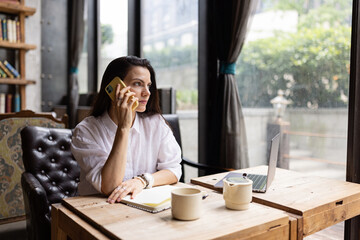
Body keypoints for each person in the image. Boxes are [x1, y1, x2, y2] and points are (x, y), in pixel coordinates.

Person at [71, 56, 182, 204]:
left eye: (148, 85)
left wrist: (142, 181)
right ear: (114, 88)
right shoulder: (85, 131)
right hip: (97, 209)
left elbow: (174, 169)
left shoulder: (156, 123)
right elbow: (109, 186)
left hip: (142, 207)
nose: (147, 92)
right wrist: (124, 128)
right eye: (138, 84)